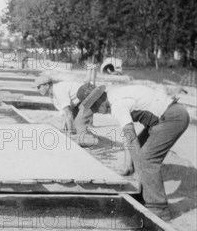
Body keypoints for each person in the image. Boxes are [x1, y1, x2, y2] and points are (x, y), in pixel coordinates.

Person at [75, 83, 189, 220]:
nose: (95, 110)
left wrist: (138, 167)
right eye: (91, 108)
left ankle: (159, 210)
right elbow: (131, 140)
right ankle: (143, 194)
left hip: (173, 117)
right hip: (164, 118)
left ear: (101, 96)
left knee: (147, 159)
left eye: (94, 105)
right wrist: (128, 166)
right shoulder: (113, 97)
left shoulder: (117, 104)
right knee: (140, 151)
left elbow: (131, 139)